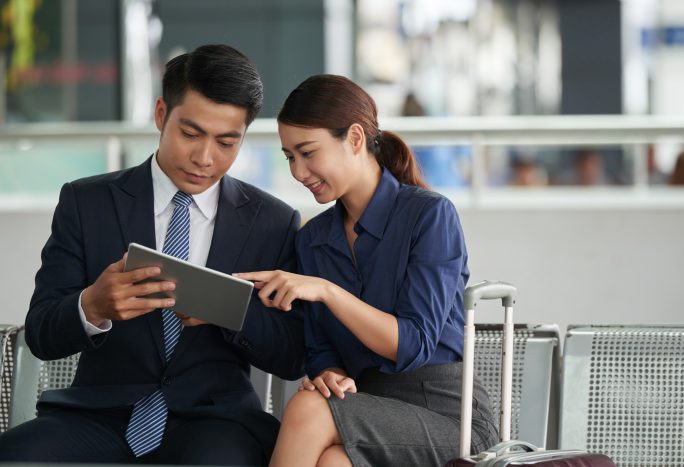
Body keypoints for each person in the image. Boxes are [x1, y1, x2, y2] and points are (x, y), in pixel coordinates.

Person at [0, 44, 305, 465]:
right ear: (162, 114)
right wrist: (92, 305)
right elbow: (40, 333)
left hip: (216, 423)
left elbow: (291, 356)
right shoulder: (86, 202)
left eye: (226, 142)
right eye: (191, 133)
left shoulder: (273, 221)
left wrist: (232, 313)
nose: (205, 158)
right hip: (96, 416)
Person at [237, 75, 498, 467]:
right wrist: (330, 372)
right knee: (332, 462)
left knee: (309, 410)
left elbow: (411, 344)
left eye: (308, 152)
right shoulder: (313, 239)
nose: (298, 171)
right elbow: (320, 347)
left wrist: (327, 291)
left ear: (355, 139)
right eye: (290, 156)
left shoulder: (429, 216)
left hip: (449, 417)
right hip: (368, 405)